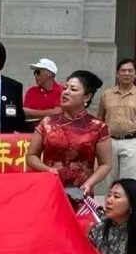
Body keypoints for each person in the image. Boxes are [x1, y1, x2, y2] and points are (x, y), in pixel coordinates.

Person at [26, 70, 113, 198]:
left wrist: (89, 184)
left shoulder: (98, 127)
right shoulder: (48, 122)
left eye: (73, 89)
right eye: (65, 88)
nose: (65, 92)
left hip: (81, 193)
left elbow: (106, 164)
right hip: (50, 189)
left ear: (87, 97)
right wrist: (47, 170)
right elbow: (31, 156)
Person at [97, 58, 136, 182]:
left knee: (128, 180)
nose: (126, 74)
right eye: (123, 71)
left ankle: (127, 202)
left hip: (131, 142)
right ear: (117, 73)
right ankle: (111, 201)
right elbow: (99, 121)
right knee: (110, 179)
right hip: (109, 141)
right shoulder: (106, 94)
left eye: (130, 71)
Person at [23, 57, 63, 130]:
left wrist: (32, 113)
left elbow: (57, 113)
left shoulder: (62, 91)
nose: (35, 75)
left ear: (49, 73)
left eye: (38, 72)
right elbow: (25, 113)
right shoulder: (31, 91)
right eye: (34, 72)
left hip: (55, 132)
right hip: (33, 132)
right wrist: (48, 113)